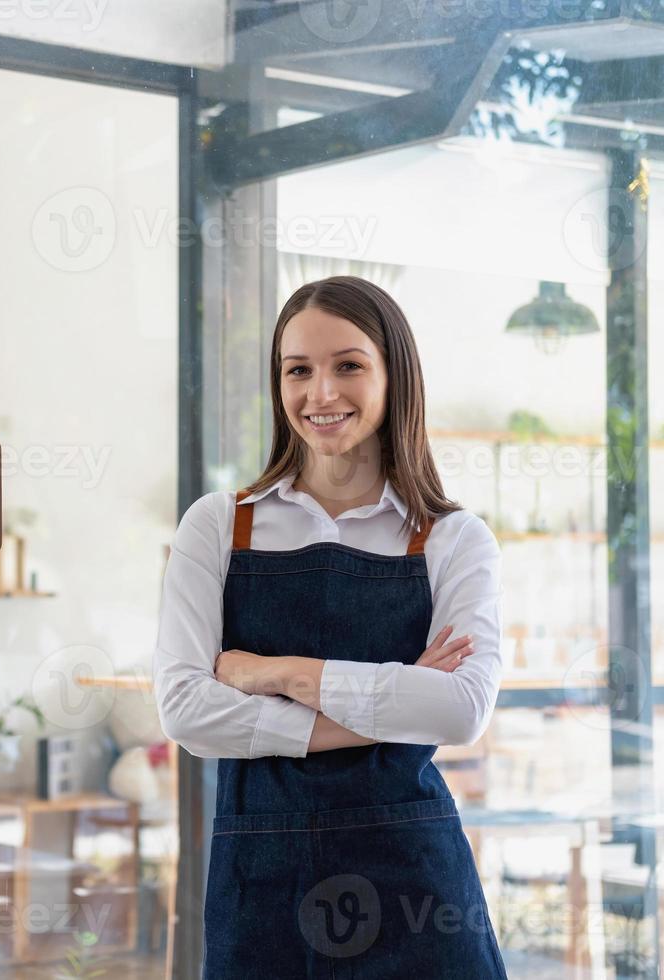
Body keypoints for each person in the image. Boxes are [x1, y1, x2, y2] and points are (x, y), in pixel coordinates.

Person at [152, 275, 507, 977]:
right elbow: (187, 711)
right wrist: (390, 705)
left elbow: (462, 709)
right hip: (262, 885)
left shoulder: (453, 539)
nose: (321, 394)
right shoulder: (220, 525)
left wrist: (275, 675)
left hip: (416, 886)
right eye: (298, 371)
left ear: (393, 375)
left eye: (348, 365)